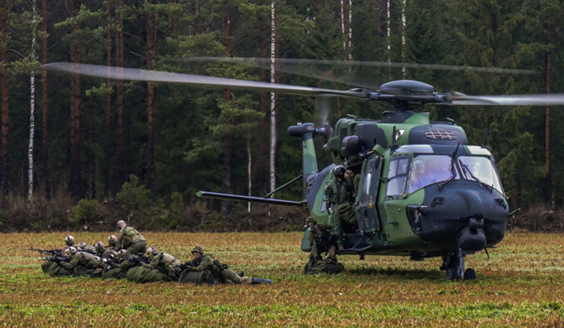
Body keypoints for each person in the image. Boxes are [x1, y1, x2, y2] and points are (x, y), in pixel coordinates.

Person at [186, 245, 272, 284]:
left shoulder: (206, 259)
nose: (195, 255)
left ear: (200, 253)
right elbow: (192, 263)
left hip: (224, 272)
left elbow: (200, 268)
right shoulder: (197, 260)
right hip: (218, 276)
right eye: (194, 254)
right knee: (231, 284)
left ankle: (264, 281)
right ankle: (238, 275)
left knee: (240, 281)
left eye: (196, 253)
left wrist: (191, 268)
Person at [324, 166, 355, 248]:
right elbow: (327, 195)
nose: (340, 179)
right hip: (336, 205)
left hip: (346, 205)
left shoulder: (347, 183)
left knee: (352, 221)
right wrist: (328, 205)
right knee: (337, 226)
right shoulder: (331, 184)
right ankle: (339, 244)